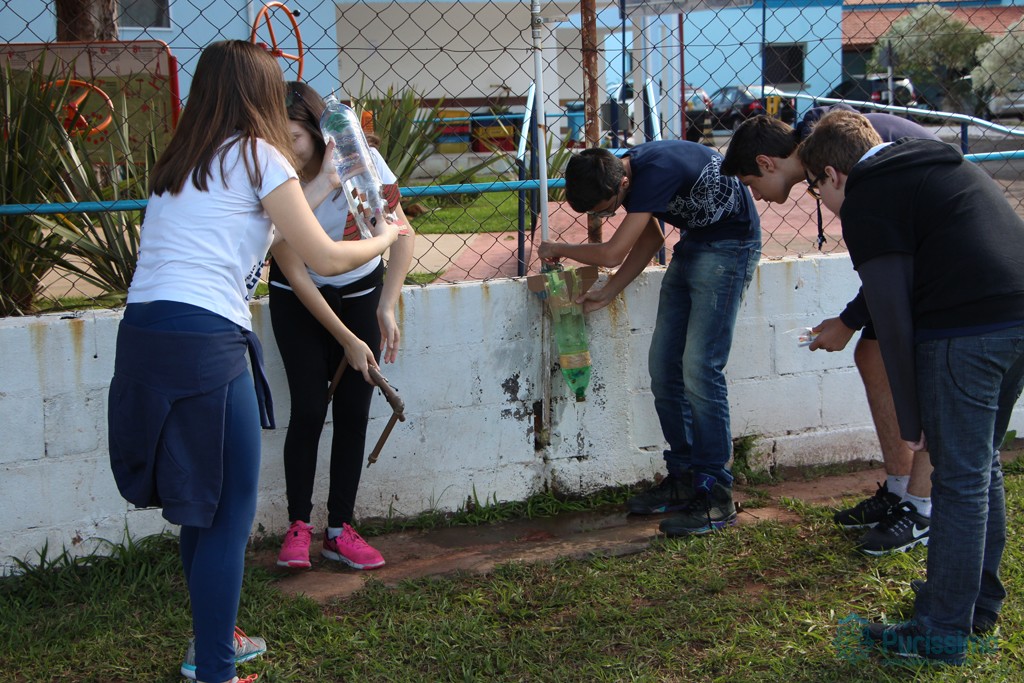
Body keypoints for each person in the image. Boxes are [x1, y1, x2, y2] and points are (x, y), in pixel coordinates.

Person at [106, 40, 400, 683]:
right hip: (204, 341)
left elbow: (279, 221)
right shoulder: (259, 155)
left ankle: (211, 643)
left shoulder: (184, 162)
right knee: (228, 513)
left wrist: (331, 175)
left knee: (200, 507)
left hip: (145, 336)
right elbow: (324, 256)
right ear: (257, 95)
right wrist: (384, 236)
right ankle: (215, 669)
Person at [798, 109, 1024, 663]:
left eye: (815, 188)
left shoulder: (867, 198)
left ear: (833, 175)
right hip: (1016, 318)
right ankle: (975, 608)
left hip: (966, 332)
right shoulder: (932, 163)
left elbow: (893, 319)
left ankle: (940, 632)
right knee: (980, 467)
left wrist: (912, 418)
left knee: (959, 480)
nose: (821, 200)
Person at [721, 109, 936, 555]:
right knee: (871, 356)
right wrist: (849, 321)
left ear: (766, 163)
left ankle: (923, 507)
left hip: (933, 242)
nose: (755, 196)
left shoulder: (830, 150)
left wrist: (849, 321)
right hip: (907, 243)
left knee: (926, 369)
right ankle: (900, 489)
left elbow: (891, 264)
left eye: (751, 184)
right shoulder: (820, 163)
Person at [538, 142, 761, 537]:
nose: (606, 216)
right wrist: (610, 291)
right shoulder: (619, 172)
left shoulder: (654, 172)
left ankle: (716, 494)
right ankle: (684, 478)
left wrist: (557, 248)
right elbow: (651, 239)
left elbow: (613, 253)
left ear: (622, 184)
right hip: (695, 243)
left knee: (700, 370)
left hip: (731, 246)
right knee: (664, 370)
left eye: (607, 209)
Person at [270, 81, 415, 570]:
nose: (286, 147)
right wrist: (348, 340)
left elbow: (401, 233)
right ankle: (298, 525)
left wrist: (386, 306)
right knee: (309, 408)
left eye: (294, 137)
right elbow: (295, 270)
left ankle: (339, 530)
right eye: (278, 137)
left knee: (354, 409)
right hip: (300, 297)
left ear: (318, 132)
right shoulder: (276, 176)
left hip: (359, 291)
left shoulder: (360, 160)